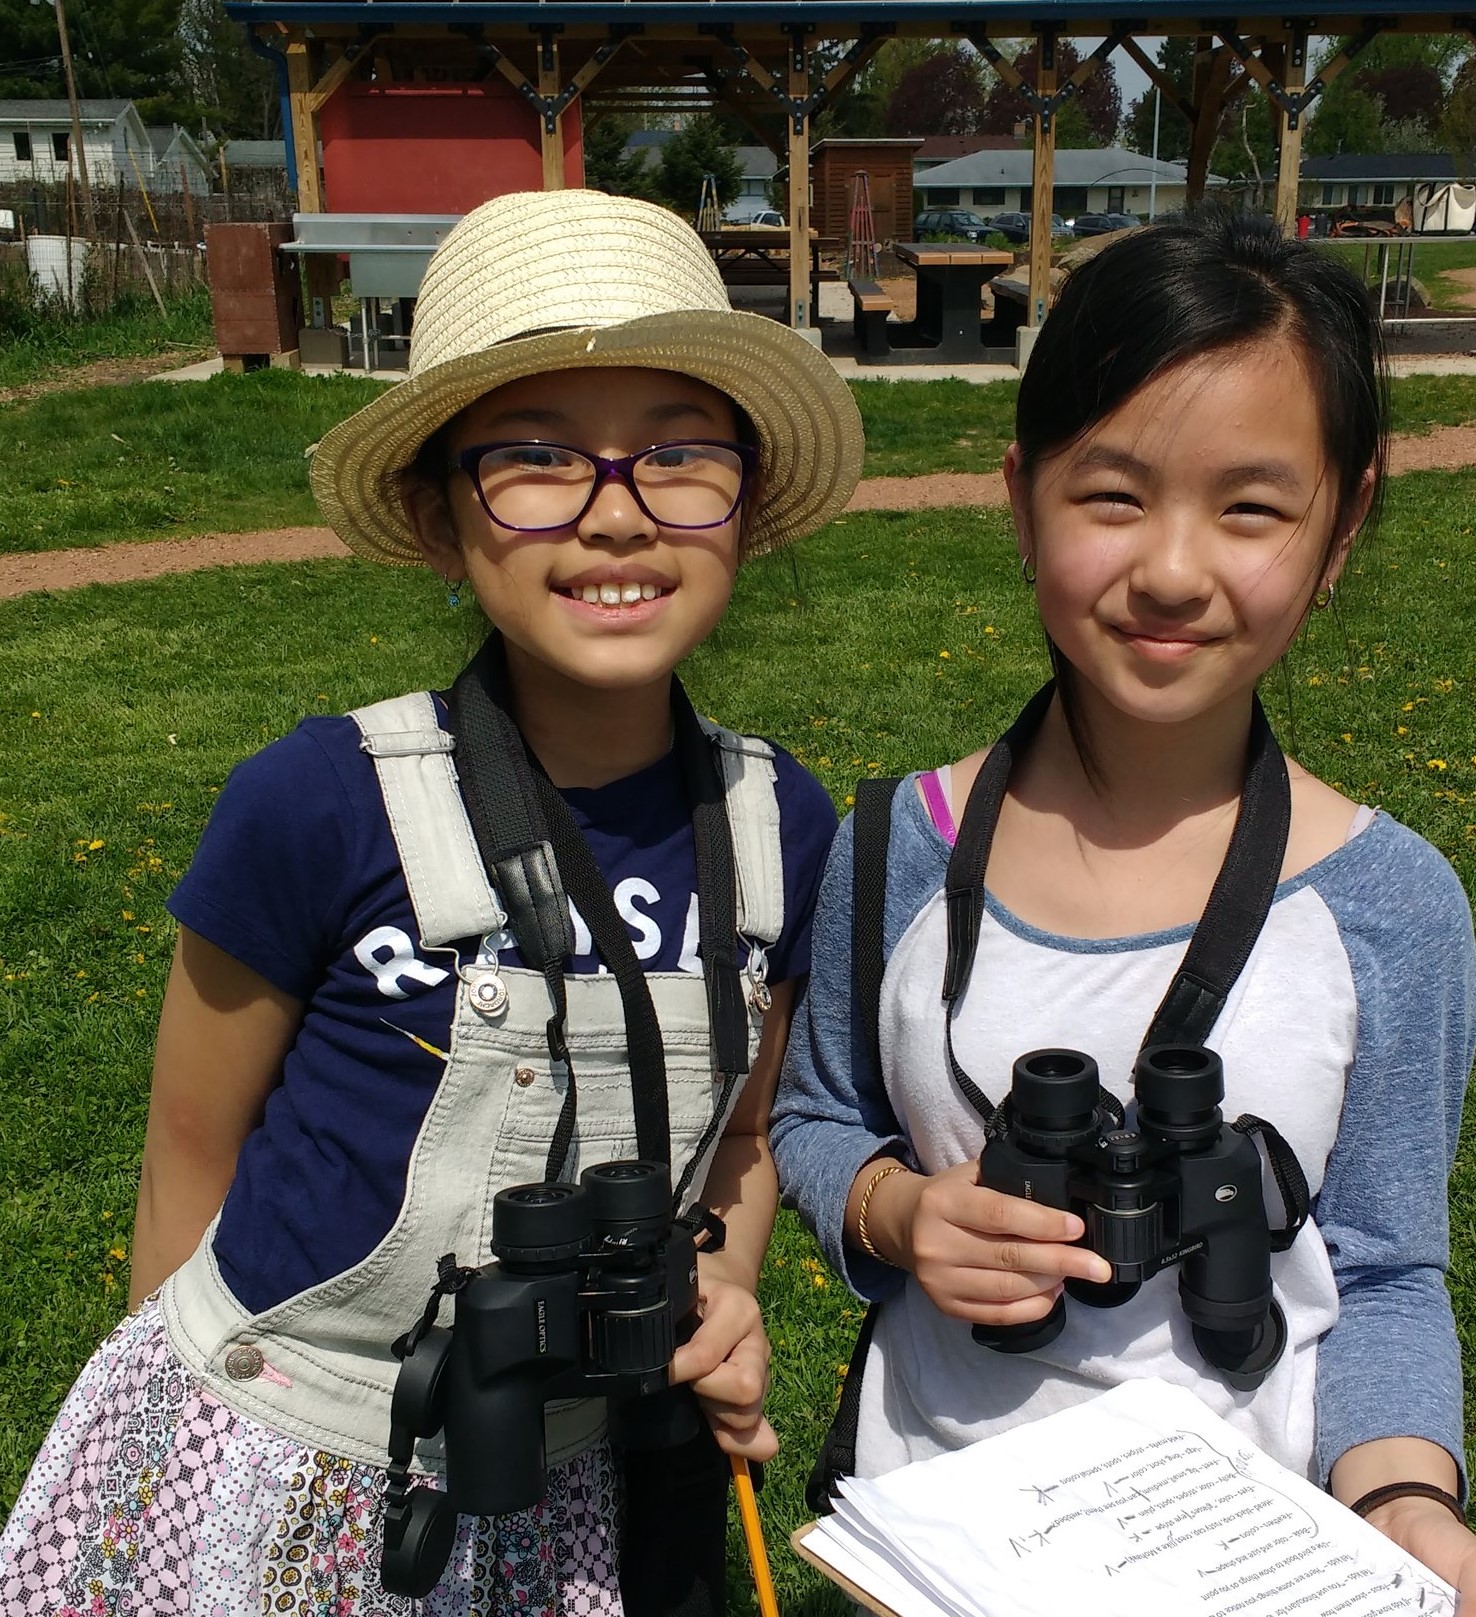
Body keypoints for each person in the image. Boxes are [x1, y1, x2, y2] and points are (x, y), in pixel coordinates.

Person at [0, 189, 861, 1617]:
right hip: (282, 1451)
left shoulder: (781, 826)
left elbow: (747, 1135)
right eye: (532, 457)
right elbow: (184, 1161)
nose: (613, 513)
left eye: (677, 452)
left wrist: (726, 1289)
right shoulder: (317, 800)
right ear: (436, 505)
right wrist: (171, 1479)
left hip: (576, 1472)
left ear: (747, 498)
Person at [771, 211, 1476, 1616]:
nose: (1172, 569)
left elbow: (1384, 1264)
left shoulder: (1388, 905)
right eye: (1111, 495)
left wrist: (1407, 1499)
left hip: (1245, 1563)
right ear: (1019, 497)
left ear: (1338, 527)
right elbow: (813, 1120)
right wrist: (894, 1209)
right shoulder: (890, 847)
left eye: (1250, 508)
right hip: (929, 1555)